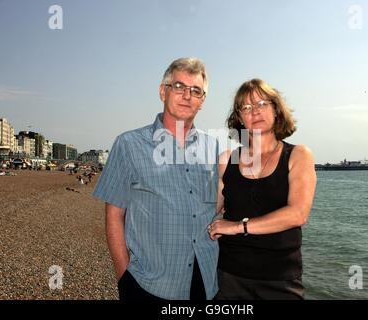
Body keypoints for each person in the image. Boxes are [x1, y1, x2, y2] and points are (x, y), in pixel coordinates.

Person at [93, 57, 219, 300]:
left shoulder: (213, 148)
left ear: (202, 101)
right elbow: (114, 215)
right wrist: (124, 277)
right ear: (163, 91)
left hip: (206, 283)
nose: (187, 96)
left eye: (196, 91)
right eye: (179, 87)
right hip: (149, 285)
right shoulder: (129, 144)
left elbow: (219, 206)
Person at [208, 78, 317, 300]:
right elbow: (208, 209)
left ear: (276, 110)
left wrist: (237, 227)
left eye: (261, 104)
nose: (254, 112)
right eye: (246, 107)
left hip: (281, 280)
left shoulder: (298, 155)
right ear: (239, 118)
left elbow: (298, 214)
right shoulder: (227, 159)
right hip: (229, 278)